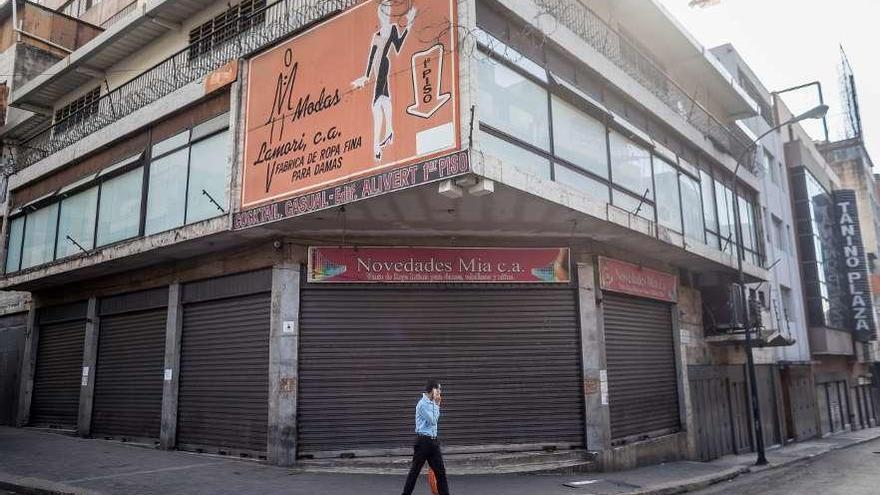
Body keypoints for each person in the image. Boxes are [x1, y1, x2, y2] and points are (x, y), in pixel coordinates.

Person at [352, 2, 418, 161]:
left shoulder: (393, 28)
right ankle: (388, 133)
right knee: (383, 99)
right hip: (378, 67)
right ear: (380, 14)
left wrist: (409, 23)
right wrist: (366, 76)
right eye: (384, 11)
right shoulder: (377, 34)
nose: (386, 14)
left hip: (383, 65)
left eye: (388, 10)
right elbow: (371, 56)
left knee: (377, 103)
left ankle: (379, 144)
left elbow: (399, 45)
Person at [401, 379, 450, 495]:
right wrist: (437, 405)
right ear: (432, 390)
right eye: (438, 389)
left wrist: (436, 404)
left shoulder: (432, 403)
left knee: (441, 473)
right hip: (423, 442)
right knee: (414, 472)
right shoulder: (422, 404)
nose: (440, 392)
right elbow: (433, 421)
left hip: (433, 442)